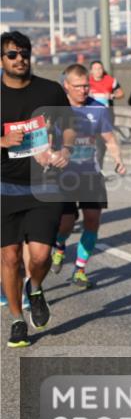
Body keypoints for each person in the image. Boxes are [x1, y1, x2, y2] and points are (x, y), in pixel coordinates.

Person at [1, 31, 74, 347]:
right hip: (5, 186)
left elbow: (69, 125)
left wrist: (67, 149)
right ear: (2, 60)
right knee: (10, 258)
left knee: (41, 256)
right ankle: (18, 320)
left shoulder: (50, 90)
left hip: (46, 184)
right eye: (12, 54)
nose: (20, 59)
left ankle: (37, 286)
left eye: (24, 52)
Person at [51, 64, 127, 288]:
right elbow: (45, 138)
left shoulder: (98, 108)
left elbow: (110, 139)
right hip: (63, 175)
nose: (84, 90)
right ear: (67, 86)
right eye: (78, 86)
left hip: (90, 174)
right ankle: (60, 244)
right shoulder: (57, 109)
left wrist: (118, 159)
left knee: (93, 220)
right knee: (65, 223)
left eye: (87, 86)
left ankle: (80, 269)